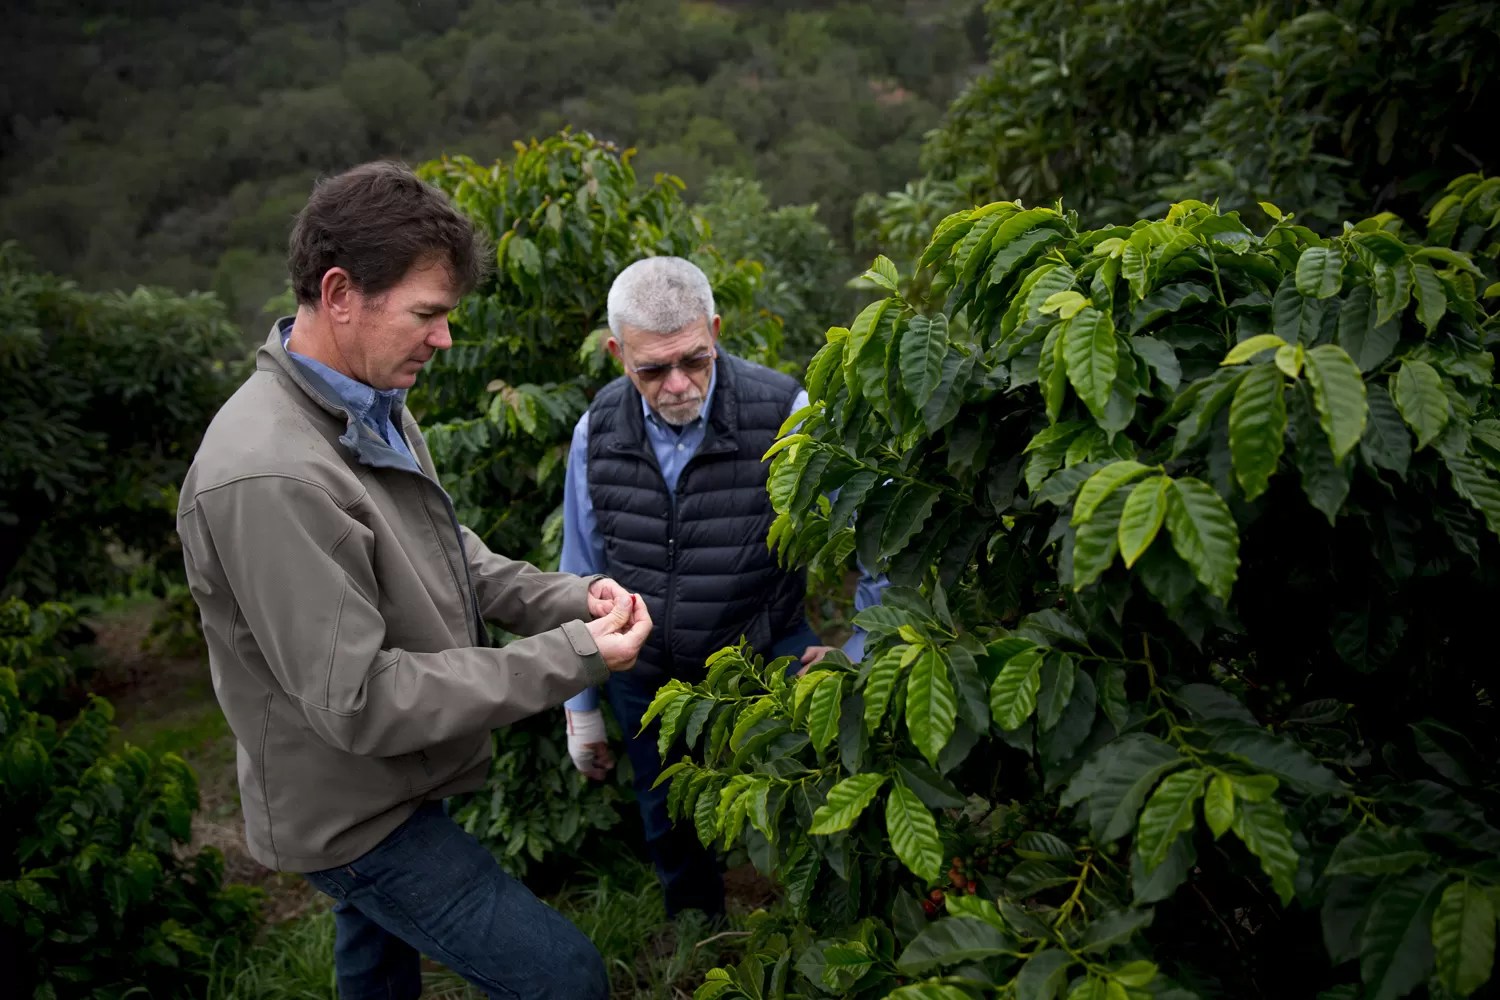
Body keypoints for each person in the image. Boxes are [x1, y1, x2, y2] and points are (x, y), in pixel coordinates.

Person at [176, 161, 652, 1000]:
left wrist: (571, 596)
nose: (445, 340)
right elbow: (359, 698)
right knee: (565, 976)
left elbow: (444, 554)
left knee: (378, 973)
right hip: (354, 813)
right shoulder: (271, 476)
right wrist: (573, 655)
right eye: (427, 315)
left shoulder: (366, 401)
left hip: (388, 777)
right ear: (340, 293)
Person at [558, 256, 884, 920]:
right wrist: (580, 706)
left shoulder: (783, 409)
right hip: (645, 670)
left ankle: (824, 935)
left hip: (764, 648)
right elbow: (579, 569)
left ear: (715, 329)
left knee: (814, 797)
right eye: (653, 369)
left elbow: (873, 536)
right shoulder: (597, 429)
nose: (679, 384)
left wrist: (859, 649)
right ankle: (697, 935)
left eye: (695, 360)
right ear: (618, 353)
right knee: (666, 813)